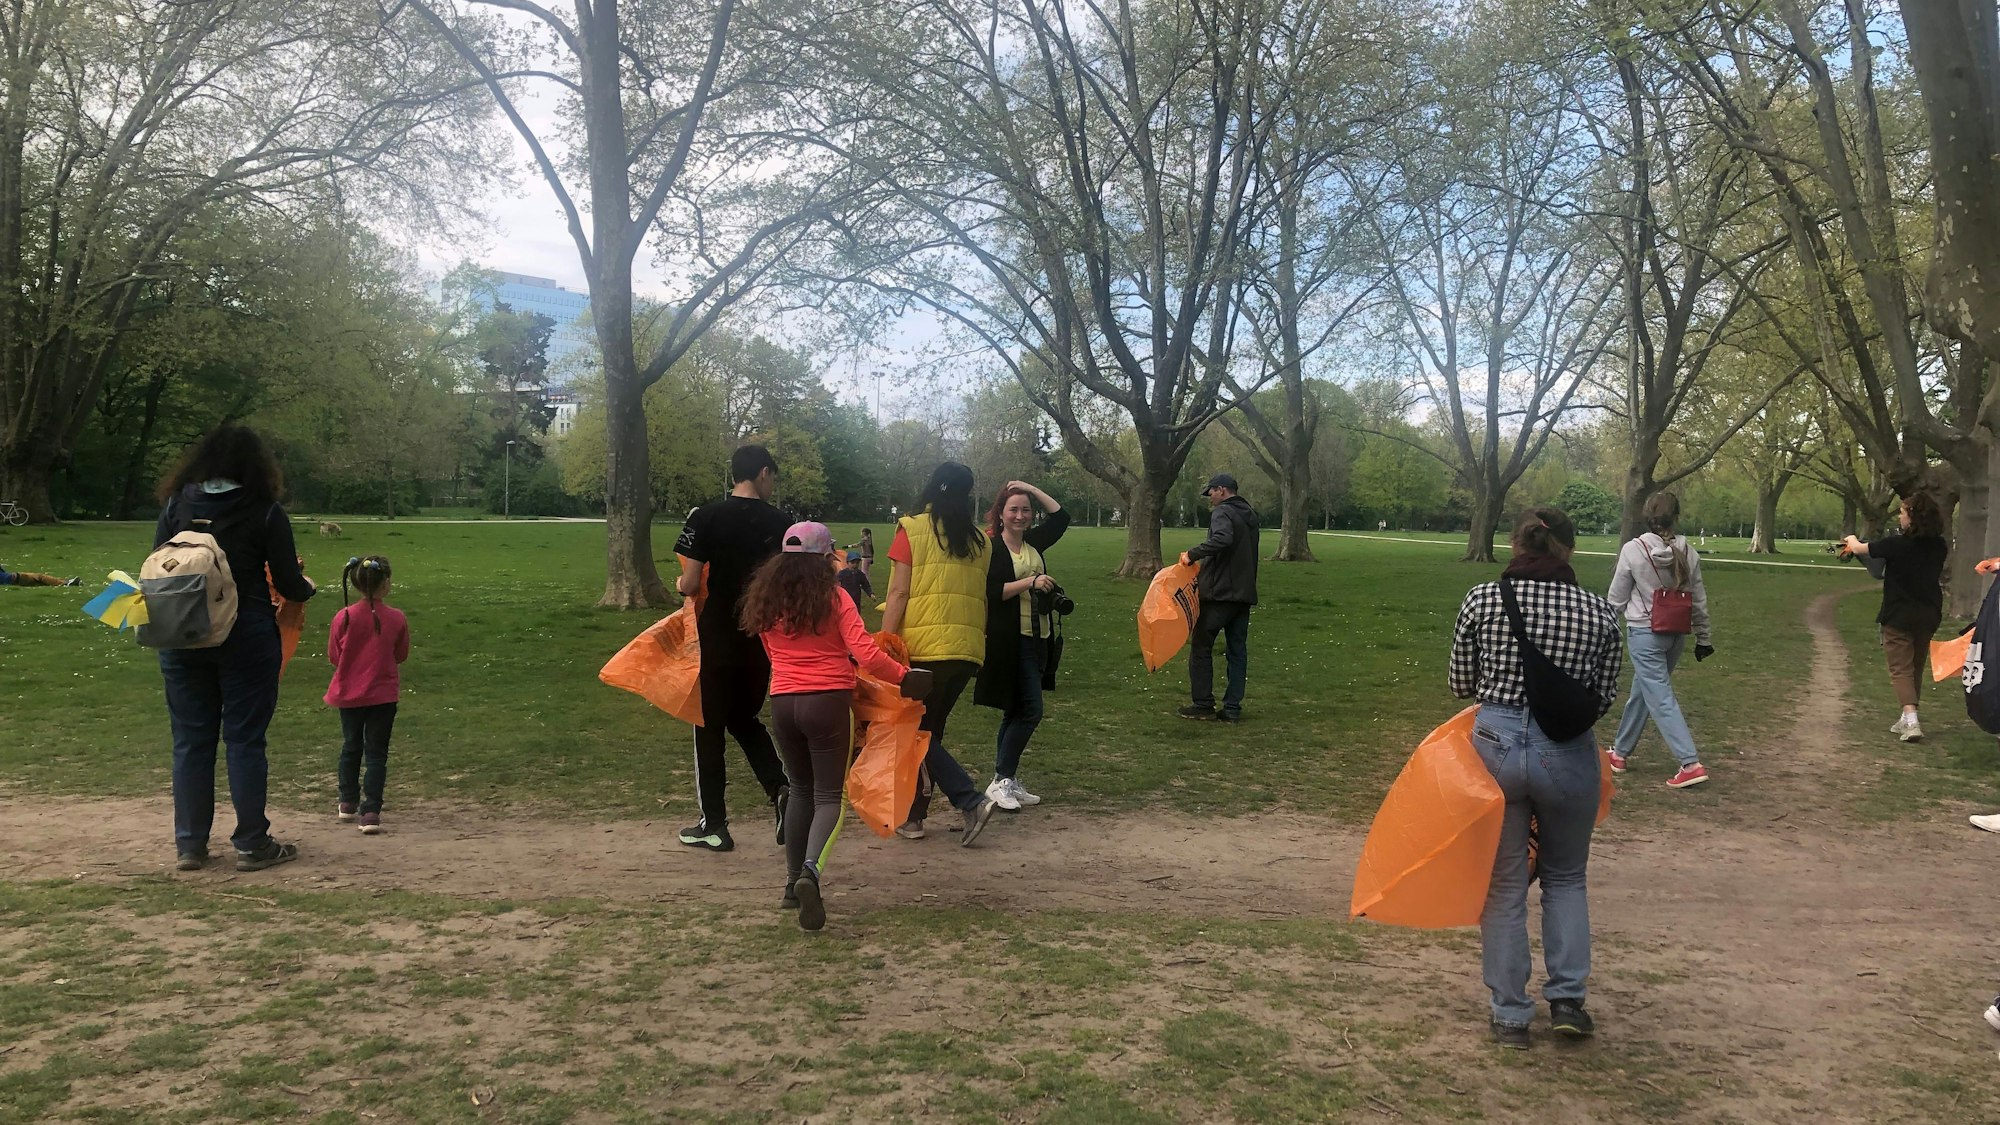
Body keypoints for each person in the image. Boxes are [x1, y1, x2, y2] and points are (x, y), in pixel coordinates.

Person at [1449, 507, 1623, 1049]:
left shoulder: (1482, 599)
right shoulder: (1599, 612)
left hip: (1496, 747)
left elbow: (1460, 682)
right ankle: (1568, 999)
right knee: (1565, 878)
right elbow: (1604, 694)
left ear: (1516, 544)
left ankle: (1510, 1015)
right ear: (1568, 548)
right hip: (1567, 753)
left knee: (1504, 885)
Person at [740, 522, 928, 930]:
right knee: (829, 797)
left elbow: (771, 651)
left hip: (783, 702)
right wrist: (904, 677)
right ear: (827, 558)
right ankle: (811, 872)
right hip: (828, 702)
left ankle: (791, 885)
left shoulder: (766, 599)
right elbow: (866, 654)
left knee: (799, 790)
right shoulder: (835, 596)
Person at [153, 425, 316, 873]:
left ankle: (190, 844)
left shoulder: (176, 505)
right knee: (245, 739)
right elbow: (289, 584)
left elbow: (160, 566)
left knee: (191, 741)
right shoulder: (265, 511)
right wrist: (308, 587)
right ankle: (251, 842)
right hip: (246, 635)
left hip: (184, 635)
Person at [672, 444, 794, 852]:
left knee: (707, 726)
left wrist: (681, 585)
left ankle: (714, 824)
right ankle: (781, 790)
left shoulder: (705, 517)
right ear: (763, 473)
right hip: (761, 637)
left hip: (717, 637)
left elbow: (691, 583)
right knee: (744, 717)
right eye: (773, 477)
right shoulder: (783, 524)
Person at [880, 462, 1001, 844]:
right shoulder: (981, 542)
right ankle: (914, 817)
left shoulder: (911, 528)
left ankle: (969, 800)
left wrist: (884, 642)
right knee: (928, 732)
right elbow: (982, 597)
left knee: (912, 731)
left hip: (924, 649)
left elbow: (899, 592)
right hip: (966, 650)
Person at [1605, 492, 1715, 789]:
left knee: (1660, 697)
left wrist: (1603, 629)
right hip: (1675, 634)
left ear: (1647, 517)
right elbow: (1698, 599)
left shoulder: (1633, 550)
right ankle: (1620, 753)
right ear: (1676, 516)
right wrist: (1703, 637)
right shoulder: (1689, 552)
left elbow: (1616, 598)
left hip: (1644, 633)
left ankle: (1690, 763)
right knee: (1644, 692)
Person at [974, 480, 1069, 810]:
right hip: (1009, 639)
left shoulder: (1033, 543)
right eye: (1013, 509)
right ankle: (1002, 779)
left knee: (1016, 709)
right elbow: (991, 591)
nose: (1020, 516)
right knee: (1031, 710)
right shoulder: (992, 548)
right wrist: (1031, 581)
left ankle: (1005, 780)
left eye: (1026, 510)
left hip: (1038, 636)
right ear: (1000, 513)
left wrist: (1029, 488)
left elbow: (1061, 518)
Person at [1843, 492, 1948, 743]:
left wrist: (1851, 538)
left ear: (1912, 517)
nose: (1900, 517)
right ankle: (1906, 717)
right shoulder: (1940, 546)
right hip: (1929, 613)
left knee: (1900, 668)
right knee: (1915, 666)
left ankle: (1911, 721)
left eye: (1902, 513)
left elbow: (1859, 548)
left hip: (1899, 614)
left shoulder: (1895, 545)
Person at [325, 555, 410, 835]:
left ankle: (347, 800)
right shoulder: (396, 618)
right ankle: (371, 810)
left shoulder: (344, 617)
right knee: (376, 753)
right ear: (385, 583)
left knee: (351, 746)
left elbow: (334, 656)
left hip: (349, 694)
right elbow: (401, 654)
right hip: (383, 695)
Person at [1177, 473, 1260, 722]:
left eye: (1211, 492)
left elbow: (1223, 539)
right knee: (1237, 651)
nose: (1210, 498)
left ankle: (1203, 704)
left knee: (1201, 646)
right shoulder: (1249, 514)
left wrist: (1192, 554)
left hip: (1219, 594)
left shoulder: (1223, 512)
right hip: (1243, 595)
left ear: (1222, 490)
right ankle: (1232, 708)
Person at [0, 564, 79, 586]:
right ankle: (66, 583)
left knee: (41, 582)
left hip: (13, 578)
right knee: (40, 577)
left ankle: (67, 582)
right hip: (15, 578)